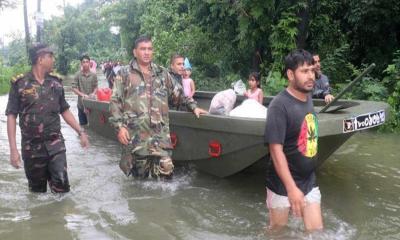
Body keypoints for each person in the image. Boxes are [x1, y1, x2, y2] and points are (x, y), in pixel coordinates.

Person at [109, 36, 207, 180]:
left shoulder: (162, 73)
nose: (147, 52)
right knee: (139, 184)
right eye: (143, 49)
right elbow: (115, 101)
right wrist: (119, 127)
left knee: (166, 177)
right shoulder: (124, 74)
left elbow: (178, 94)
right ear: (135, 52)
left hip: (160, 138)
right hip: (136, 139)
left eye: (149, 49)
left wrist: (194, 107)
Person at [5, 43, 89, 193]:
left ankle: (60, 215)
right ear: (40, 59)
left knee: (62, 186)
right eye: (50, 56)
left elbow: (65, 110)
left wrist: (80, 131)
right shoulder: (20, 84)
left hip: (55, 144)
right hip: (31, 149)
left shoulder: (56, 83)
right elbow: (11, 115)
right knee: (37, 194)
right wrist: (13, 149)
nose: (53, 59)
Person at [264, 49, 322, 232]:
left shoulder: (307, 96)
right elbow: (275, 150)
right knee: (277, 233)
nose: (310, 76)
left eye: (312, 71)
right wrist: (291, 188)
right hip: (282, 184)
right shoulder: (279, 106)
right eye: (304, 72)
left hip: (308, 180)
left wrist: (314, 67)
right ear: (290, 74)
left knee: (317, 233)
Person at [72, 54, 98, 126]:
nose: (85, 64)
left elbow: (96, 87)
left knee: (93, 127)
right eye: (84, 62)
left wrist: (93, 93)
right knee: (83, 127)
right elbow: (73, 88)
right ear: (81, 63)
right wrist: (82, 94)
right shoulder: (77, 75)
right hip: (81, 105)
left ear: (90, 63)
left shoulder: (94, 75)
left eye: (87, 62)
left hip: (91, 105)